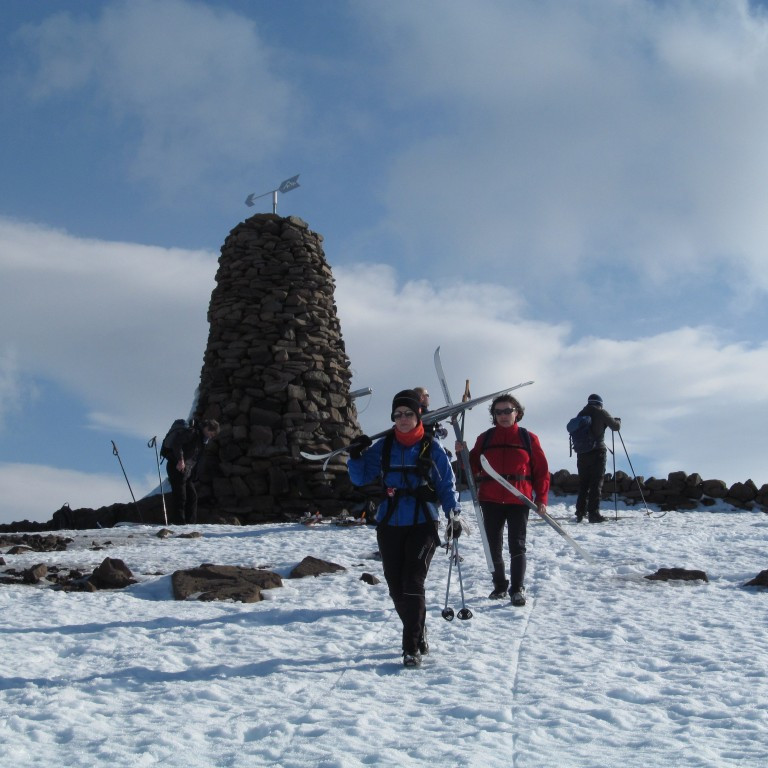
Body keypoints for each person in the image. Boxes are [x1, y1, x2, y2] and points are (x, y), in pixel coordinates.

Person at [347, 389, 462, 668]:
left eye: (408, 413)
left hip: (423, 522)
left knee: (413, 581)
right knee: (395, 586)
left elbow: (446, 484)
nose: (403, 418)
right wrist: (356, 455)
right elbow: (361, 478)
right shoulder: (383, 447)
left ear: (418, 415)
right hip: (390, 522)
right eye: (398, 414)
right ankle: (418, 628)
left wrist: (454, 515)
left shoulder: (431, 447)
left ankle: (410, 648)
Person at [463, 394, 549, 606]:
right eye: (498, 412)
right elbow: (473, 466)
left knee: (517, 545)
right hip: (490, 499)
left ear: (516, 413)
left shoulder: (528, 438)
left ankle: (517, 588)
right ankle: (499, 586)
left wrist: (542, 498)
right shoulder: (485, 438)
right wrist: (462, 453)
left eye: (507, 411)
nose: (503, 415)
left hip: (519, 499)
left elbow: (541, 471)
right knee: (493, 545)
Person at [574, 394, 621, 523]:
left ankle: (580, 512)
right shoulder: (601, 412)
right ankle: (593, 514)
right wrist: (618, 421)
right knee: (596, 483)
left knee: (584, 483)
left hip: (582, 453)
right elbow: (615, 427)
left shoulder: (581, 414)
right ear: (600, 403)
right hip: (598, 452)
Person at [166, 419, 220, 524]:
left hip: (186, 472)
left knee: (192, 496)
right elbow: (177, 443)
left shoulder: (202, 440)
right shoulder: (192, 433)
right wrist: (180, 459)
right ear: (206, 428)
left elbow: (195, 458)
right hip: (176, 467)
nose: (211, 436)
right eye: (211, 433)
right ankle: (179, 523)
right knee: (180, 496)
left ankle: (190, 524)